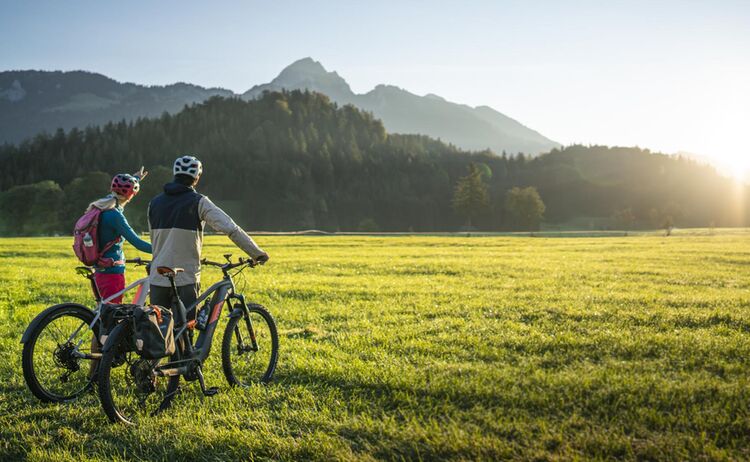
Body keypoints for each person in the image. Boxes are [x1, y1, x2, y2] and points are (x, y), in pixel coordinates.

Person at [147, 156, 268, 323]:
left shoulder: (154, 203)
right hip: (185, 277)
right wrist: (257, 253)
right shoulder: (199, 202)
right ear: (196, 178)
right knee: (185, 329)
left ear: (175, 174)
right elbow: (230, 228)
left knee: (158, 331)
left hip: (157, 276)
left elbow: (156, 240)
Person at [90, 168, 152, 303]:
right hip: (112, 274)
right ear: (131, 195)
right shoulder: (115, 215)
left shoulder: (102, 206)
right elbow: (137, 242)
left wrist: (136, 178)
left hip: (100, 271)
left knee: (104, 312)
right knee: (112, 314)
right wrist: (162, 250)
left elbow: (121, 194)